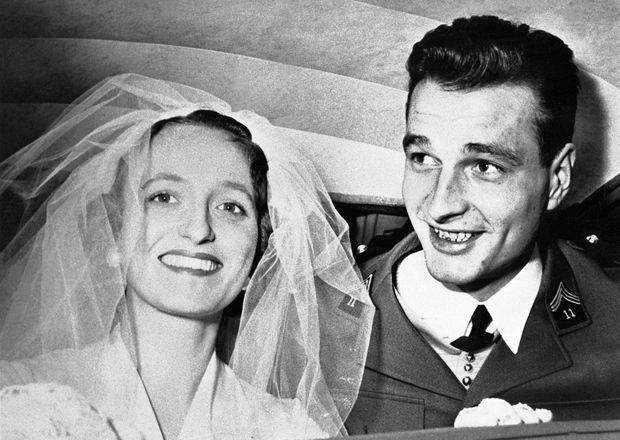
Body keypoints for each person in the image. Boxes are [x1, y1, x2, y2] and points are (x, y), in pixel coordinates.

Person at [0, 73, 374, 439]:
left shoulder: (289, 430)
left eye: (231, 206)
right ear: (115, 231)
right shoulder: (20, 392)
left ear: (256, 260)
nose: (198, 229)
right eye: (164, 197)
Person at [345, 15, 620, 434]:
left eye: (485, 166)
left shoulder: (614, 327)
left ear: (557, 179)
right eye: (423, 158)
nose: (439, 205)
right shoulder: (323, 319)